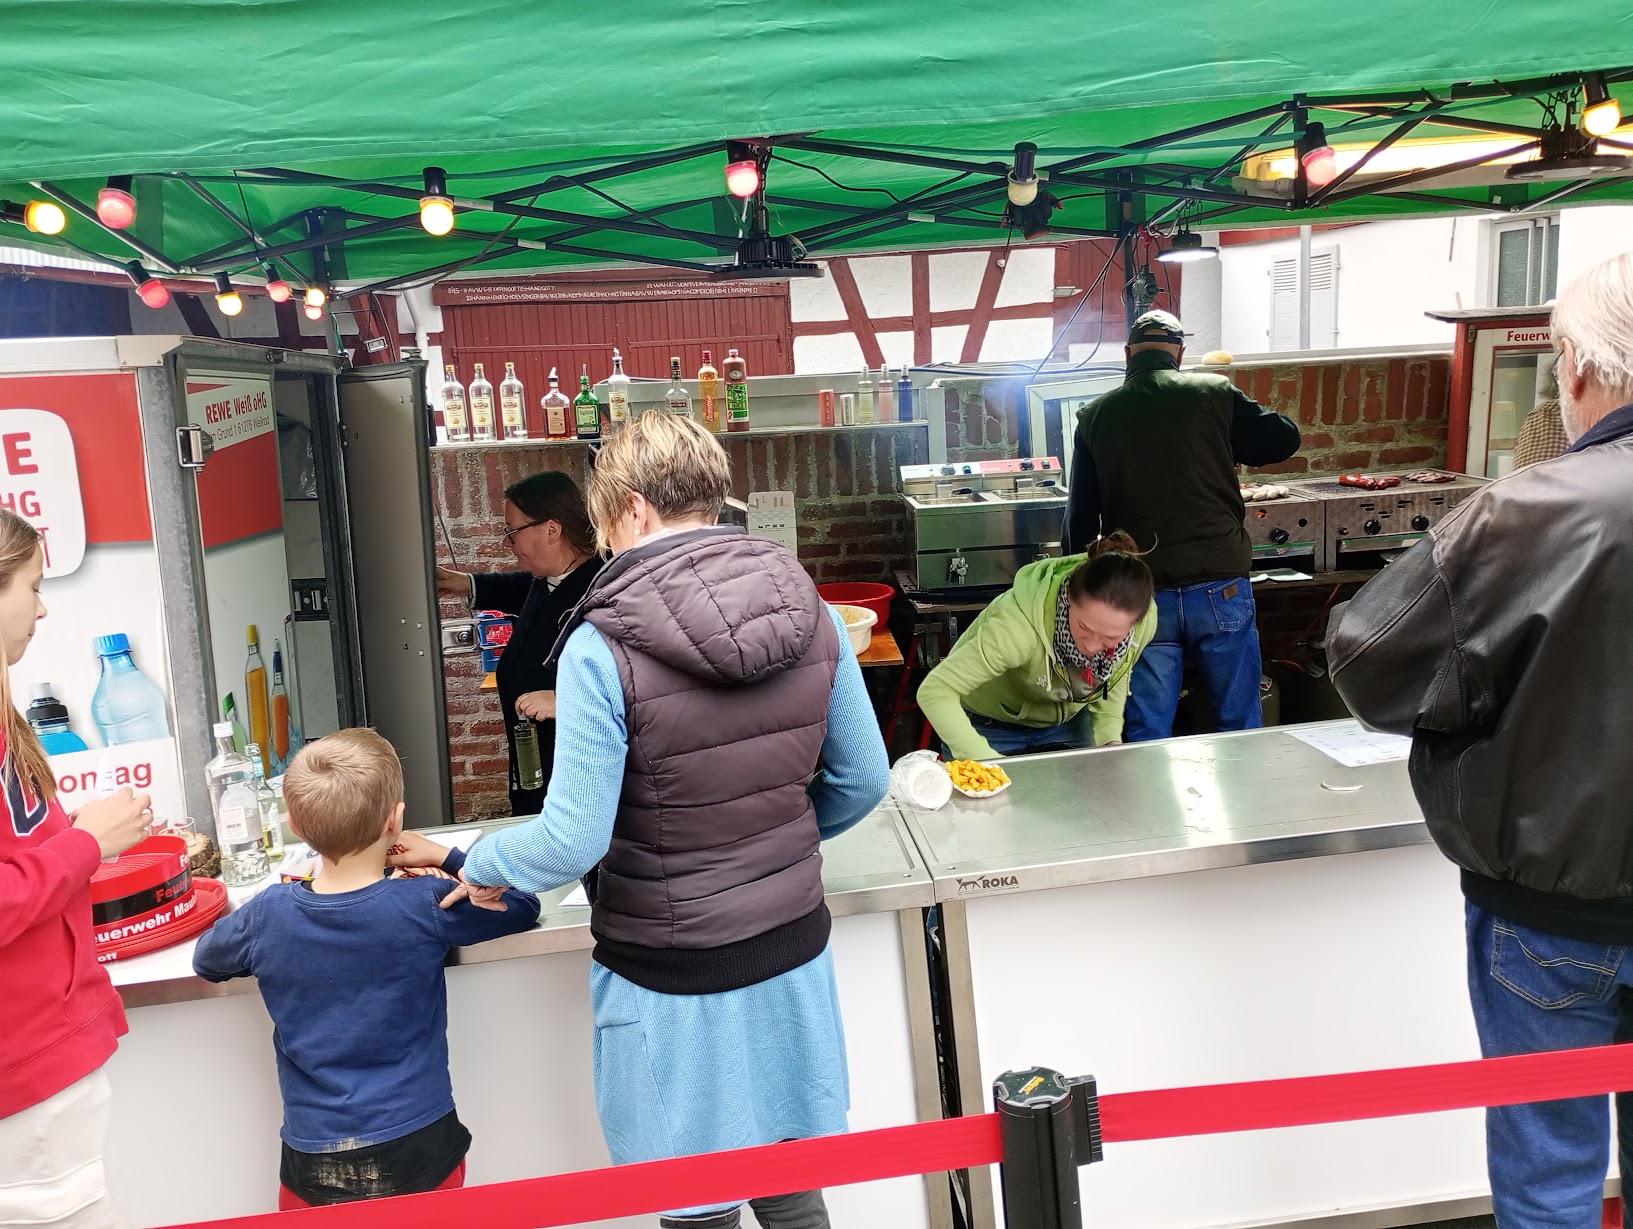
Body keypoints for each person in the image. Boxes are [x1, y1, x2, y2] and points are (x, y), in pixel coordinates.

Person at [395, 410, 890, 1229]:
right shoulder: (811, 608)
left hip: (671, 977)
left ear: (632, 507)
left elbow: (572, 838)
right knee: (792, 1188)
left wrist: (475, 862)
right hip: (791, 956)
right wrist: (779, 836)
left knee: (694, 1207)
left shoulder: (601, 644)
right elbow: (864, 779)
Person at [1329, 251, 1633, 1229]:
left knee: (1548, 1180)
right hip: (1554, 904)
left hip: (1548, 913)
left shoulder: (1525, 510)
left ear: (1577, 367)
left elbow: (1369, 660)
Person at [192, 728, 540, 1209]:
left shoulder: (267, 914)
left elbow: (207, 959)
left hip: (313, 1156)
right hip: (421, 1141)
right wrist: (447, 857)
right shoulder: (424, 902)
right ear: (396, 820)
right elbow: (522, 904)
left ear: (294, 823)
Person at [0, 508, 152, 1229]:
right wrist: (87, 842)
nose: (43, 608)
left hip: (49, 1063)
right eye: (32, 587)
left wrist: (85, 833)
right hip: (23, 1078)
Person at [1061, 309, 1301, 740]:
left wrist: (1073, 585)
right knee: (1240, 720)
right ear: (1180, 353)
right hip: (1221, 583)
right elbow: (1285, 438)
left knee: (1148, 727)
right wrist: (1227, 437)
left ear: (1128, 354)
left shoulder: (1095, 415)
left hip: (1143, 594)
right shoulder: (1213, 391)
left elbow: (1080, 517)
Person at [438, 471, 603, 816]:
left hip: (577, 783)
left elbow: (634, 685)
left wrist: (565, 701)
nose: (507, 543)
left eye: (512, 533)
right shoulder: (548, 579)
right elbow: (519, 587)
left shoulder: (603, 592)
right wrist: (465, 583)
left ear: (551, 530)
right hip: (534, 761)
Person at [916, 532, 1157, 760]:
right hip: (988, 724)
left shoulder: (1143, 623)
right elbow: (936, 690)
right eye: (1083, 627)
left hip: (1067, 723)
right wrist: (986, 765)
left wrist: (1109, 737)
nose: (1093, 647)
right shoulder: (1018, 625)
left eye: (1110, 639)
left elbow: (1113, 673)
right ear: (1069, 598)